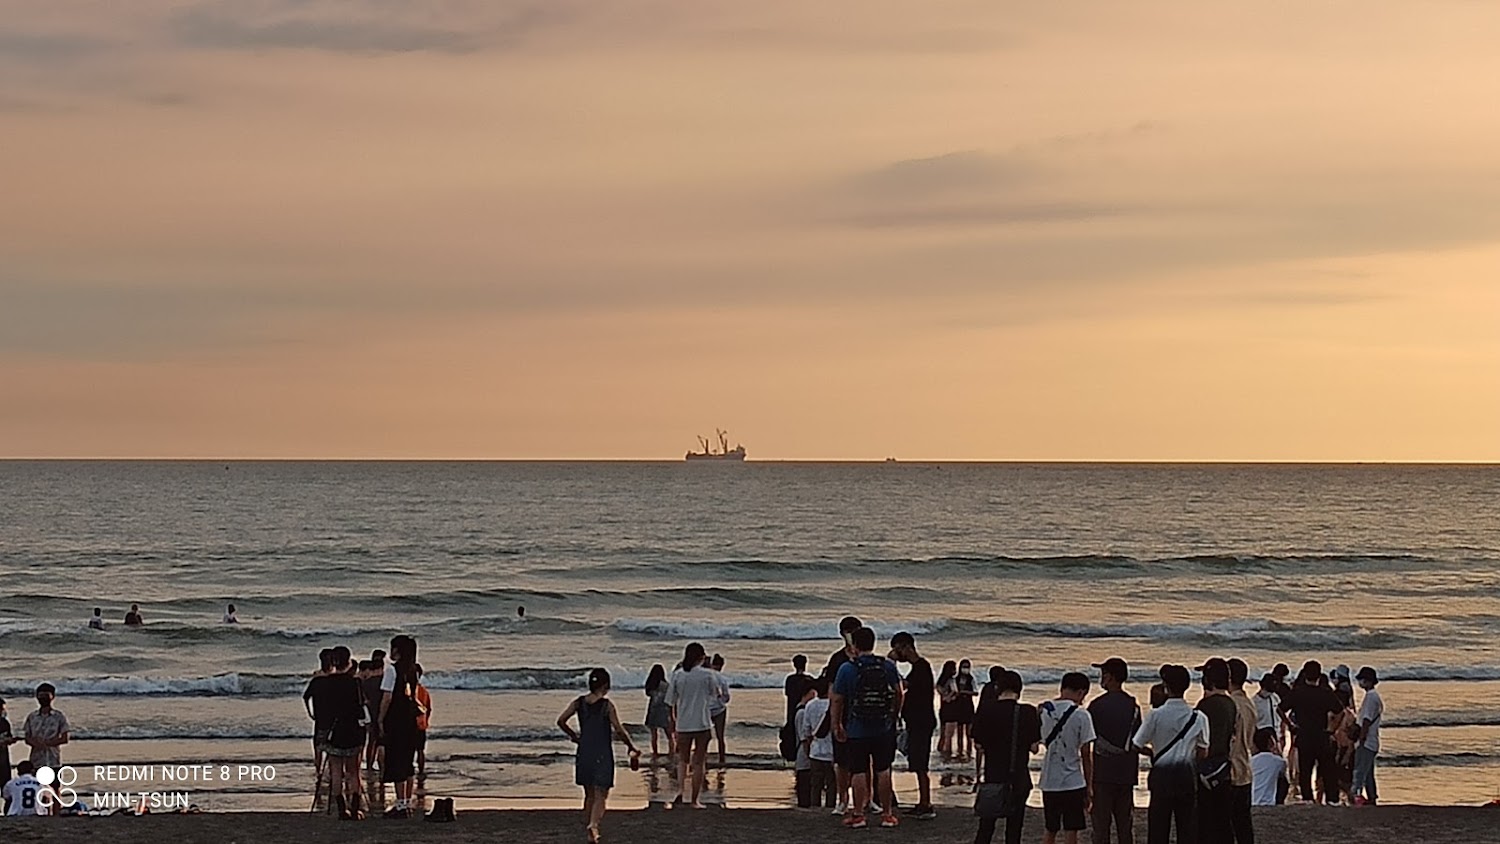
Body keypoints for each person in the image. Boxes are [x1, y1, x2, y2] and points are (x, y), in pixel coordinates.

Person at [557, 668, 642, 844]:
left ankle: (590, 824)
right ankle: (594, 825)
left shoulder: (579, 703)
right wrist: (631, 746)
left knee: (588, 793)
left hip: (584, 750)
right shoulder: (607, 705)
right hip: (602, 752)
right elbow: (618, 729)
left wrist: (574, 736)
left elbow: (561, 720)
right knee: (601, 793)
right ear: (605, 685)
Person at [831, 626, 903, 830]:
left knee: (859, 771)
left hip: (856, 728)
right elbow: (899, 693)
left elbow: (837, 699)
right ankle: (887, 814)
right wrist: (894, 715)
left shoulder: (847, 668)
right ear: (873, 643)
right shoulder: (887, 666)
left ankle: (859, 814)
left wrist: (837, 725)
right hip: (883, 727)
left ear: (854, 645)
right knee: (883, 769)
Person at [1131, 665, 1209, 844]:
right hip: (1186, 777)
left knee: (1158, 828)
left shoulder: (1155, 715)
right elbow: (1203, 751)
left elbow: (1136, 744)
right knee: (1187, 828)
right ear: (1187, 686)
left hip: (1161, 777)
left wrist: (1153, 752)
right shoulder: (1199, 717)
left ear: (1166, 686)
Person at [971, 670, 1041, 844]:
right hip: (1018, 777)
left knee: (986, 827)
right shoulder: (1027, 712)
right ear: (1019, 689)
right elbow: (1034, 748)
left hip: (993, 776)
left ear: (997, 688)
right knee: (1014, 828)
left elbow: (978, 745)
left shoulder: (986, 710)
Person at [310, 646, 369, 820]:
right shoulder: (355, 682)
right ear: (349, 661)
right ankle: (356, 809)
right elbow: (361, 706)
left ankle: (342, 810)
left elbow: (323, 709)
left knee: (336, 770)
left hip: (333, 731)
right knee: (354, 771)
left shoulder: (325, 682)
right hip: (353, 730)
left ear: (333, 662)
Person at [1089, 657, 1141, 844]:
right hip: (1126, 773)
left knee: (1101, 827)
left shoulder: (1096, 706)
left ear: (1109, 677)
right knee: (1125, 826)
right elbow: (1138, 739)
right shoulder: (1133, 706)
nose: (1101, 679)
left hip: (1102, 773)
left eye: (1103, 675)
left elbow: (1088, 738)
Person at [1039, 672, 1096, 844]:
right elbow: (1086, 754)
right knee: (1071, 830)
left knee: (1050, 829)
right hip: (1073, 781)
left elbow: (1037, 742)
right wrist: (1089, 786)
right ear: (1081, 692)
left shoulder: (1043, 711)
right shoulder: (1082, 715)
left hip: (1049, 780)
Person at [889, 631, 937, 819]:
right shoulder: (918, 668)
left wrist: (891, 666)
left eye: (897, 649)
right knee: (917, 761)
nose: (897, 653)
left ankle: (926, 803)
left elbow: (904, 684)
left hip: (921, 722)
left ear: (906, 647)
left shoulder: (921, 667)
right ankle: (923, 802)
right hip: (917, 721)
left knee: (920, 763)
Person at [1280, 660, 1342, 805]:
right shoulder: (1325, 693)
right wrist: (1332, 729)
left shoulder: (1297, 692)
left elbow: (1280, 709)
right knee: (1327, 769)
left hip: (1304, 734)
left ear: (1305, 674)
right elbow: (1340, 712)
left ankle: (1307, 798)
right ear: (1319, 676)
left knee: (1305, 769)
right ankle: (1332, 799)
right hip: (1322, 735)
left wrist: (1290, 725)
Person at [666, 642, 718, 809]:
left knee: (683, 760)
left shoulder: (678, 675)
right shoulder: (707, 675)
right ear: (701, 657)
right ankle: (695, 799)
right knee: (699, 763)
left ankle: (681, 790)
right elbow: (715, 694)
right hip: (702, 722)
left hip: (683, 723)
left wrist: (673, 721)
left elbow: (670, 701)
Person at [1194, 658, 1237, 844]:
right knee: (1223, 818)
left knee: (1205, 819)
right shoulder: (1230, 704)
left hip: (1206, 767)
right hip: (1223, 766)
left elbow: (1197, 738)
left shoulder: (1206, 706)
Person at [378, 635, 421, 818]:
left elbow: (387, 697)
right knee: (408, 761)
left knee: (396, 760)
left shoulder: (392, 671)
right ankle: (407, 802)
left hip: (395, 720)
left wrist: (380, 719)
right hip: (410, 720)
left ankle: (400, 804)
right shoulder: (413, 670)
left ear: (397, 650)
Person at [826, 616, 863, 816]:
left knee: (866, 759)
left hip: (863, 714)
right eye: (849, 631)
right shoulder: (837, 659)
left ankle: (866, 799)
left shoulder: (865, 658)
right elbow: (832, 691)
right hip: (843, 713)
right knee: (841, 761)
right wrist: (834, 720)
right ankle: (843, 799)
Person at [1225, 659, 1256, 844]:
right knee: (1243, 823)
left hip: (1231, 769)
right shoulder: (1249, 703)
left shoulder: (1231, 705)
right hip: (1245, 768)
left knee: (1227, 824)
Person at [800, 676, 836, 809]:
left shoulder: (810, 705)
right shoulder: (834, 704)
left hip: (815, 750)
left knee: (816, 783)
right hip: (832, 751)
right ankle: (830, 806)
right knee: (832, 783)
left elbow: (806, 730)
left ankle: (815, 806)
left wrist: (808, 748)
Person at [1352, 667, 1382, 806]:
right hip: (1372, 741)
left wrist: (1361, 738)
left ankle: (1356, 796)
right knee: (1368, 772)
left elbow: (1366, 720)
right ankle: (1371, 798)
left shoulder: (1371, 697)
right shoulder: (1373, 696)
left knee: (1359, 771)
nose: (1360, 682)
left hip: (1367, 741)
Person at [23, 684, 69, 770]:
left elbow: (65, 738)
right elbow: (27, 738)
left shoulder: (59, 716)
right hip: (36, 761)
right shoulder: (32, 717)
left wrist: (47, 744)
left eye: (46, 696)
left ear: (52, 697)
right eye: (41, 696)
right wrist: (37, 744)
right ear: (37, 697)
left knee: (54, 783)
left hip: (53, 760)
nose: (43, 698)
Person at [792, 683, 817, 807]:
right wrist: (809, 754)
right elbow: (804, 738)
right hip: (803, 756)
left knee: (805, 786)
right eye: (812, 693)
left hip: (803, 755)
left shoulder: (800, 710)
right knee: (804, 787)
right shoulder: (801, 712)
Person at [1249, 729, 1287, 807]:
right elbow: (1284, 777)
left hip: (1252, 801)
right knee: (1283, 780)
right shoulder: (1278, 762)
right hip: (1268, 802)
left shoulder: (1251, 762)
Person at [644, 664, 674, 757]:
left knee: (654, 735)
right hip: (664, 711)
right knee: (669, 735)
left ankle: (655, 753)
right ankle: (671, 753)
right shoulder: (666, 686)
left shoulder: (651, 686)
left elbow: (648, 694)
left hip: (653, 710)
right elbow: (670, 700)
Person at [708, 654, 731, 767]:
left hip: (705, 709)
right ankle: (722, 759)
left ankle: (703, 757)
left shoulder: (706, 676)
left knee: (704, 736)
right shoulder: (722, 678)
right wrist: (720, 700)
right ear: (721, 665)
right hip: (719, 709)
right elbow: (726, 697)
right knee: (720, 736)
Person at [955, 659, 978, 760]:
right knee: (959, 731)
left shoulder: (971, 679)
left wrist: (965, 692)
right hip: (959, 706)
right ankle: (959, 751)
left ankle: (969, 751)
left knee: (969, 732)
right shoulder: (956, 679)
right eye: (964, 666)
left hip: (968, 705)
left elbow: (976, 692)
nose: (966, 669)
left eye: (967, 667)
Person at [937, 660, 960, 760]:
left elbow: (941, 693)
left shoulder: (940, 682)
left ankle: (940, 754)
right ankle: (947, 755)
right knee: (949, 735)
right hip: (952, 709)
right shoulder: (951, 680)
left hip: (943, 709)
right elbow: (955, 692)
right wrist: (951, 696)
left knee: (943, 735)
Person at [414, 664, 433, 777]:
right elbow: (429, 709)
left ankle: (411, 770)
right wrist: (426, 721)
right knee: (420, 750)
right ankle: (421, 771)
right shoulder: (424, 691)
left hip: (410, 724)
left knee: (410, 750)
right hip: (421, 724)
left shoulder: (407, 690)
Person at [785, 655, 812, 726]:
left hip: (791, 712)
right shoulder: (809, 680)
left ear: (794, 665)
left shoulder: (790, 679)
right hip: (804, 712)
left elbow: (787, 695)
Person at [0, 697, 17, 787]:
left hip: (3, 760)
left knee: (6, 788)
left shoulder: (4, 723)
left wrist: (10, 740)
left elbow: (8, 736)